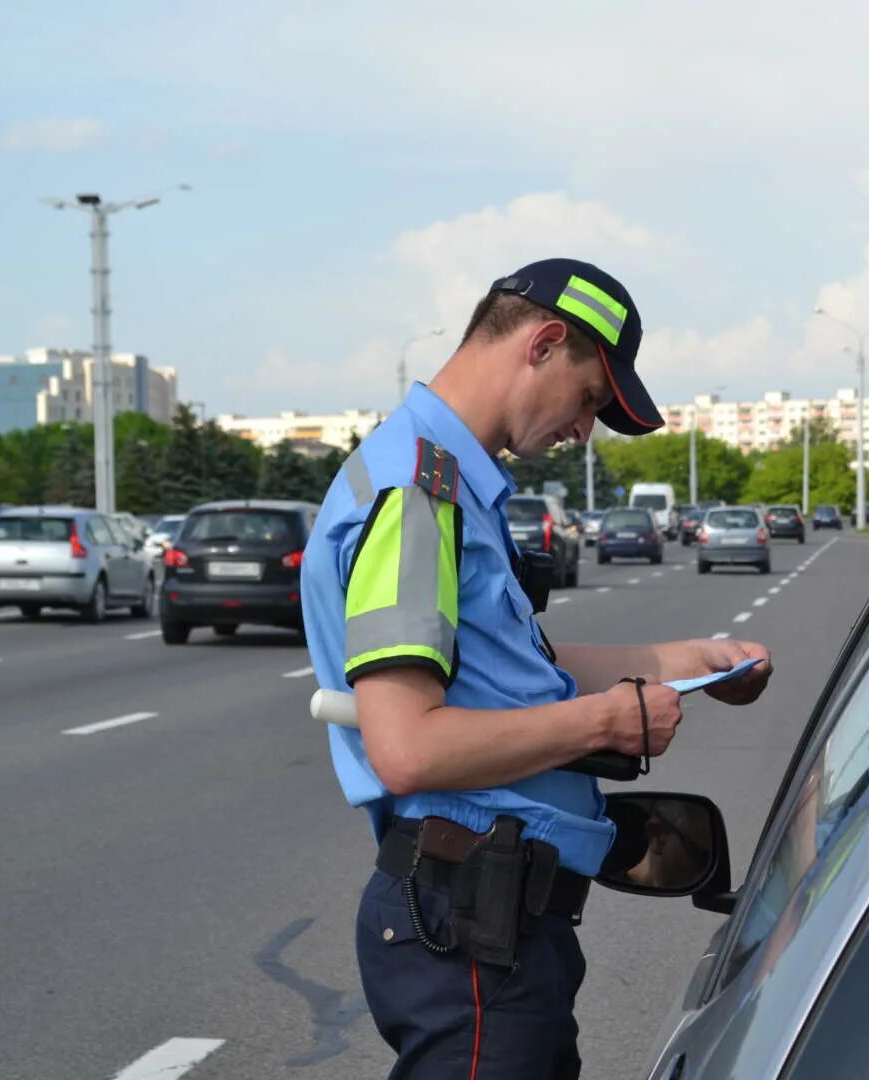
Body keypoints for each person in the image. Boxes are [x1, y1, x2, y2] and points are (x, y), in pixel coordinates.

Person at [301, 258, 773, 1079]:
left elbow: (519, 668)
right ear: (545, 342)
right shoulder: (418, 494)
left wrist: (687, 661)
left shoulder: (444, 484)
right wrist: (609, 722)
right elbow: (407, 748)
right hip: (469, 923)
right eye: (590, 398)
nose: (582, 431)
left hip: (494, 921)